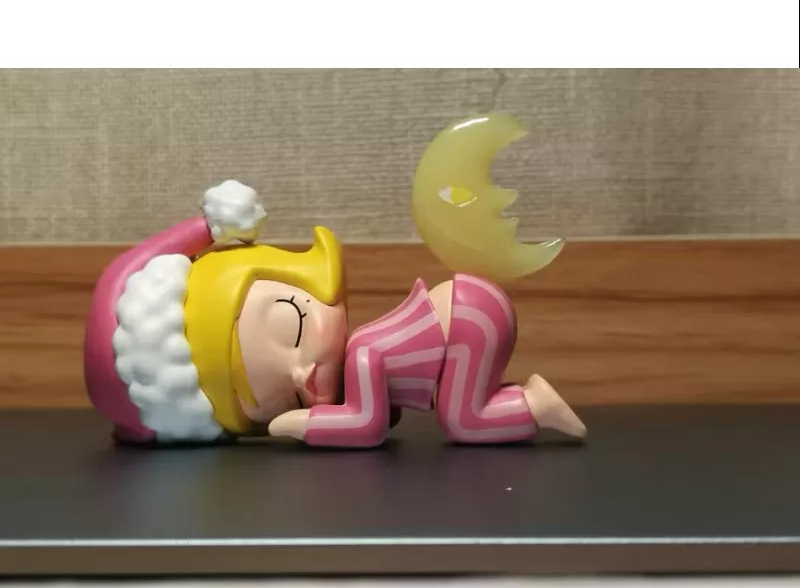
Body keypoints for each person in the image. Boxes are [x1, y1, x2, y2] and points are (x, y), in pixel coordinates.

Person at [84, 115, 586, 447]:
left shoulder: (365, 351)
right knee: (465, 407)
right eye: (284, 397)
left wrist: (297, 420)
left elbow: (365, 427)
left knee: (465, 420)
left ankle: (536, 403)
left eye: (291, 325)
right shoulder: (367, 353)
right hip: (470, 316)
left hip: (470, 319)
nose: (303, 373)